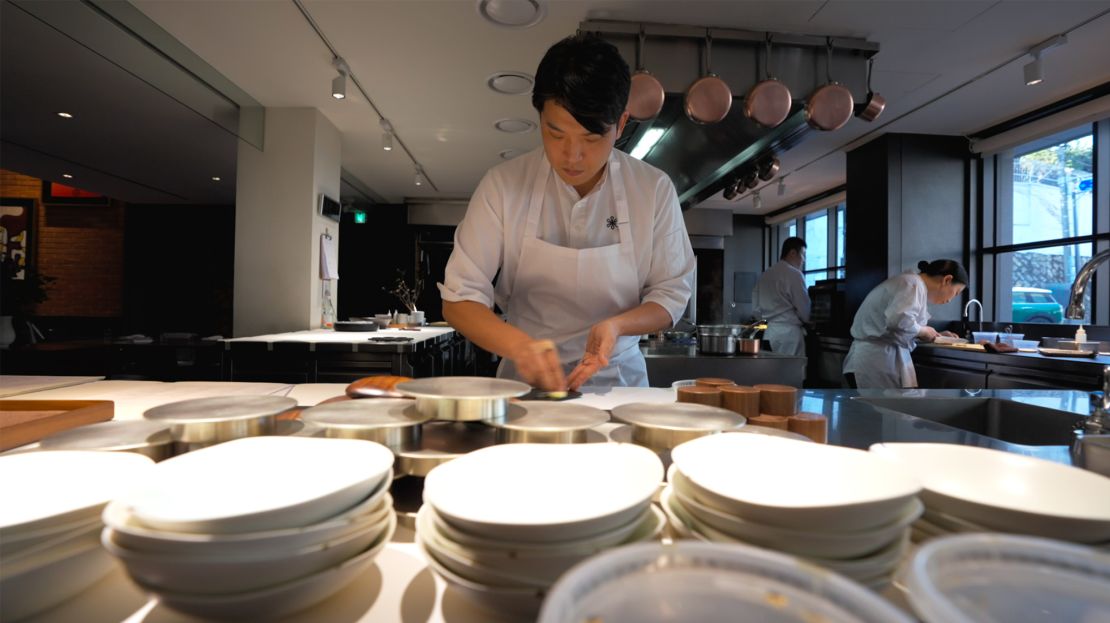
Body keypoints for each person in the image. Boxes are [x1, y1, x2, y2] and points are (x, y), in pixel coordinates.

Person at [438, 33, 695, 391]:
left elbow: (671, 295)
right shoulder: (503, 185)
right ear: (539, 116)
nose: (571, 156)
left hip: (617, 384)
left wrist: (618, 325)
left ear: (620, 125)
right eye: (555, 133)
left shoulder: (652, 189)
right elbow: (459, 298)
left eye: (590, 139)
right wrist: (521, 348)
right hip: (525, 385)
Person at [842, 259, 967, 389]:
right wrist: (923, 331)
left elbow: (900, 328)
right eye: (956, 293)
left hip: (878, 360)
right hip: (874, 363)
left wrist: (936, 335)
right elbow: (898, 321)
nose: (950, 300)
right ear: (947, 280)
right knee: (875, 408)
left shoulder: (912, 283)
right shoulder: (912, 284)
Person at [752, 237, 810, 357]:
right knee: (791, 373)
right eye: (803, 254)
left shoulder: (765, 275)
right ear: (793, 253)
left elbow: (755, 310)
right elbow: (804, 311)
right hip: (790, 335)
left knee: (772, 372)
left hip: (770, 333)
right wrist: (807, 320)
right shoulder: (795, 274)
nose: (804, 260)